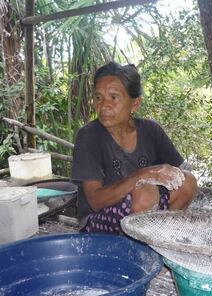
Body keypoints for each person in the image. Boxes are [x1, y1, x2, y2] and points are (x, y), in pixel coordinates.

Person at [72, 62, 197, 234]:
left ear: (135, 103)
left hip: (144, 209)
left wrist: (168, 176)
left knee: (187, 181)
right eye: (99, 97)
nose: (104, 105)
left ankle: (162, 237)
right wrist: (143, 174)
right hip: (97, 221)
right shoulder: (89, 136)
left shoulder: (150, 130)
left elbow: (182, 172)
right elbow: (95, 201)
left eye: (113, 97)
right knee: (144, 192)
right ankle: (137, 249)